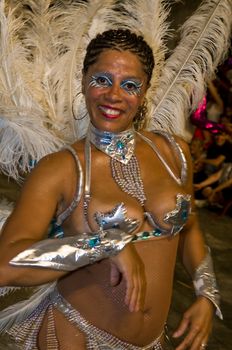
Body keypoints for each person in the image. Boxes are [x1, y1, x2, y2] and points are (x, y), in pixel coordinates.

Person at [0, 29, 221, 350]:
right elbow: (6, 265)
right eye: (102, 80)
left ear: (145, 91)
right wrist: (103, 245)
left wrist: (207, 294)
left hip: (151, 341)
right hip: (75, 335)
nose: (114, 95)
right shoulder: (61, 169)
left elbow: (189, 230)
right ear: (83, 81)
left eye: (129, 85)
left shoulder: (174, 152)